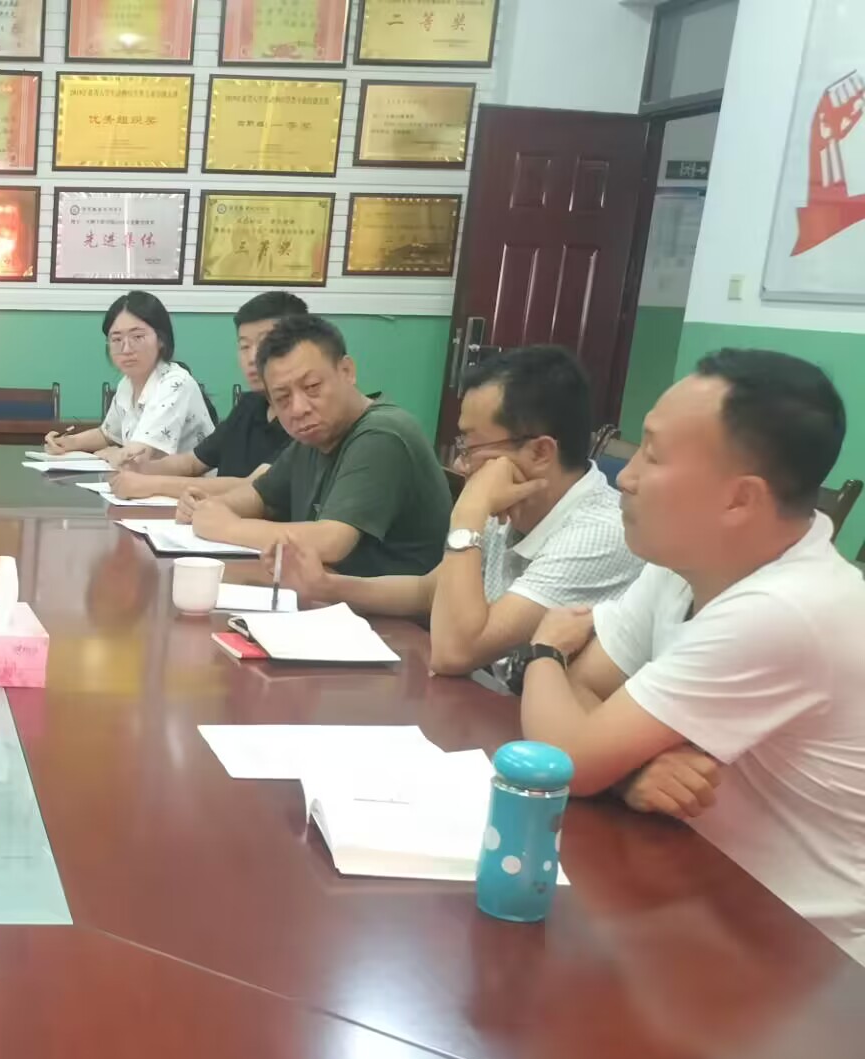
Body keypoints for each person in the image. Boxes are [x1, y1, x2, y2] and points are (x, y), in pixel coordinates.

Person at [516, 350, 864, 962]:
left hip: (804, 955)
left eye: (652, 455)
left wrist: (543, 650)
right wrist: (627, 772)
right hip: (695, 891)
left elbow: (564, 759)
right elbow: (587, 688)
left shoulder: (786, 608)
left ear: (739, 500)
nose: (624, 476)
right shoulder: (687, 564)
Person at [270, 346, 641, 675]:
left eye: (471, 447)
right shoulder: (515, 500)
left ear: (540, 452)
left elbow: (455, 653)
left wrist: (468, 514)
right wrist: (327, 586)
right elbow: (428, 591)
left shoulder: (598, 535)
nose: (461, 464)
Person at [185, 315, 451, 578]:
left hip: (380, 605)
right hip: (324, 594)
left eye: (312, 387)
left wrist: (226, 527)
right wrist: (212, 507)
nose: (299, 408)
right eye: (283, 397)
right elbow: (261, 497)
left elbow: (330, 542)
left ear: (347, 371)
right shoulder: (314, 437)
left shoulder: (383, 433)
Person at [108, 291, 305, 501]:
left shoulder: (302, 416)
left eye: (265, 344)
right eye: (244, 346)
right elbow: (192, 463)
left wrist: (150, 485)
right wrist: (139, 469)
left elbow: (256, 486)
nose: (252, 357)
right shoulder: (249, 405)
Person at [42, 292, 215, 464]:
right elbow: (107, 434)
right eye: (117, 339)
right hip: (148, 480)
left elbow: (137, 457)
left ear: (161, 339)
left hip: (189, 481)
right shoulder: (127, 384)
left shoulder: (175, 383)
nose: (126, 349)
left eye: (137, 337)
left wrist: (113, 453)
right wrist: (67, 443)